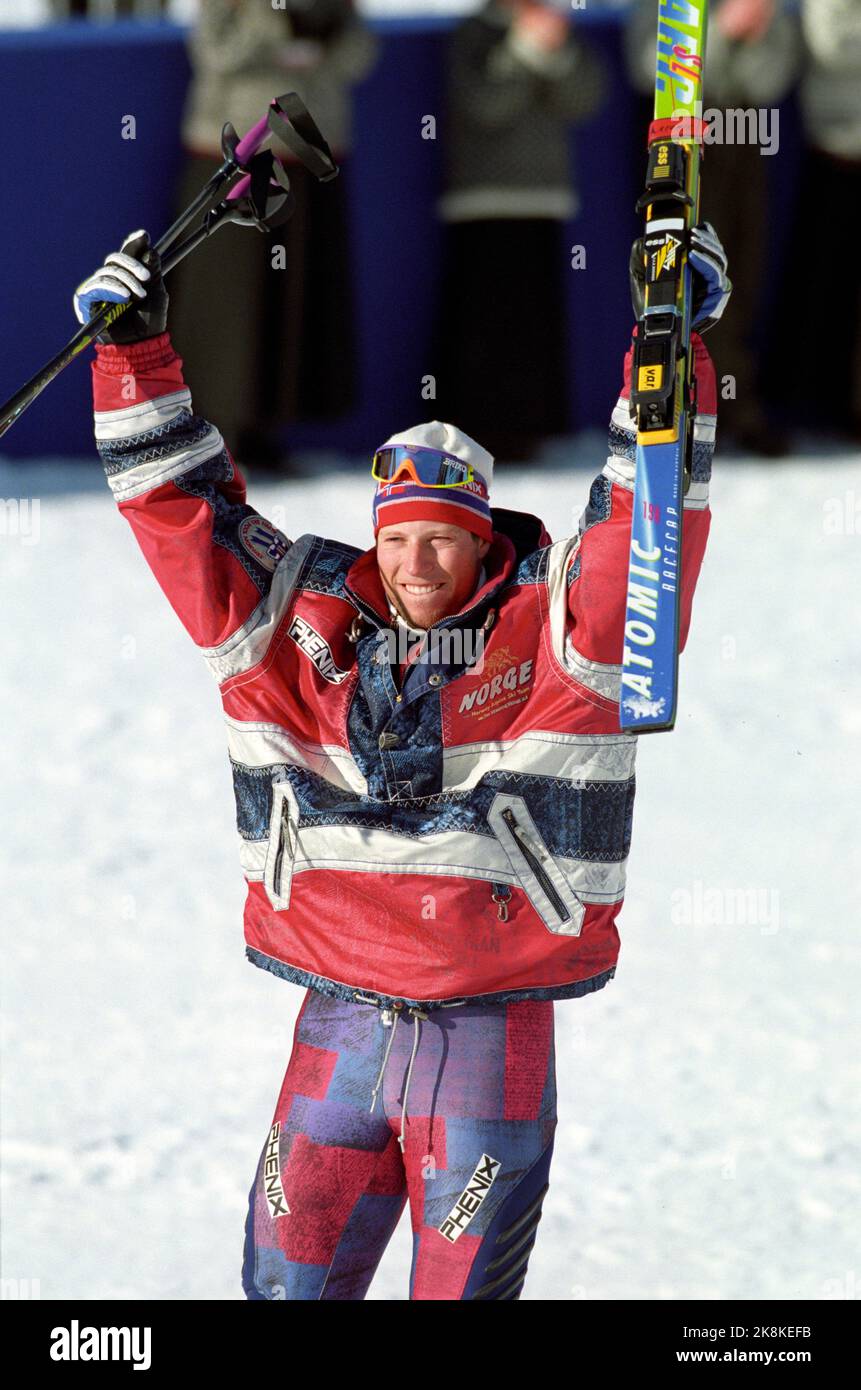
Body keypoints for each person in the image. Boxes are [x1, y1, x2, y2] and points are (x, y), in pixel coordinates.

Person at [72, 220, 730, 1300]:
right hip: (336, 1026)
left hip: (488, 1037)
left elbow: (639, 528)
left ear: (484, 540)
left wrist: (668, 351)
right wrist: (131, 356)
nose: (417, 560)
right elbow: (186, 515)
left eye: (442, 538)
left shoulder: (558, 631)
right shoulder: (294, 625)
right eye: (396, 537)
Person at [433, 0, 607, 463]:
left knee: (533, 324)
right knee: (484, 325)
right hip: (481, 201)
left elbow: (585, 97)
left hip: (545, 198)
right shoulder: (472, 33)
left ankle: (531, 427)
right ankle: (477, 428)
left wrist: (556, 52)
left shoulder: (560, 33)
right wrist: (526, 48)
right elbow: (485, 103)